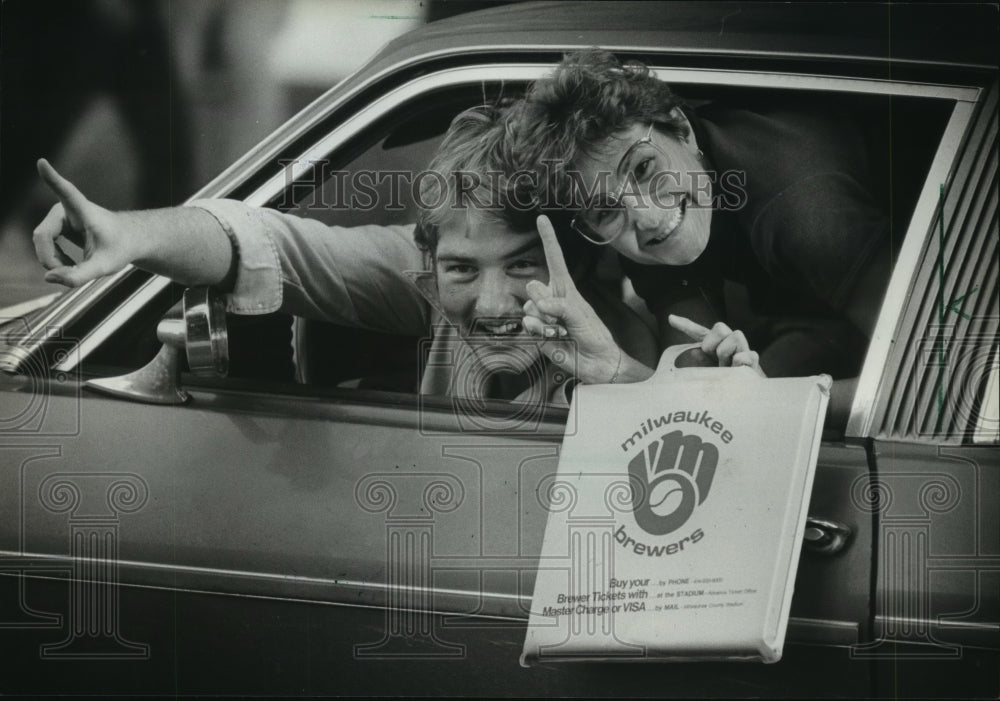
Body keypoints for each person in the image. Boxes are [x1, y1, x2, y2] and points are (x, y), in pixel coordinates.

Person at [32, 104, 759, 405]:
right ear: (428, 263)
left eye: (526, 266)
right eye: (463, 270)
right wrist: (130, 235)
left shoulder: (619, 335)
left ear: (574, 252)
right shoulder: (415, 281)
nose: (495, 304)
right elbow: (257, 240)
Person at [512, 50, 894, 419]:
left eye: (644, 168)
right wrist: (616, 368)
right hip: (811, 313)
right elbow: (691, 384)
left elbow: (931, 376)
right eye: (606, 210)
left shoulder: (804, 215)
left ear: (681, 129)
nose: (646, 216)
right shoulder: (648, 228)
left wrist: (774, 406)